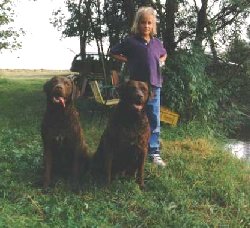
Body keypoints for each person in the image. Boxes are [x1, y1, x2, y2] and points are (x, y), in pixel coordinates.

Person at [109, 6, 167, 167]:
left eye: (149, 23)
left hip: (154, 86)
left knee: (153, 118)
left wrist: (162, 60)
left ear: (153, 25)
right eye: (143, 23)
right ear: (137, 24)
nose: (146, 26)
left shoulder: (157, 43)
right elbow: (112, 51)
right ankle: (129, 147)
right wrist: (128, 60)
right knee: (132, 117)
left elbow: (164, 53)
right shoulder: (130, 41)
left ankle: (153, 151)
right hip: (136, 88)